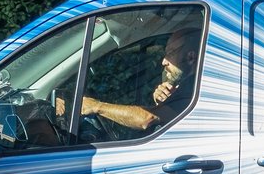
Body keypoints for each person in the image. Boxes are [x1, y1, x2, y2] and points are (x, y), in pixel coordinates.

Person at [62, 26, 201, 134]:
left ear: (191, 57)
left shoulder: (193, 88)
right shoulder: (190, 86)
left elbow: (148, 118)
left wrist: (96, 106)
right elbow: (168, 116)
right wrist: (162, 103)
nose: (164, 61)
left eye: (171, 53)